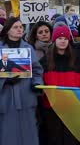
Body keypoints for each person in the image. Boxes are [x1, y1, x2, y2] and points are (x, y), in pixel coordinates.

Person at [40, 26, 80, 145]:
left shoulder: (77, 60)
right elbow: (40, 82)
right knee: (54, 139)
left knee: (72, 140)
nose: (62, 41)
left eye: (65, 38)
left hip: (73, 108)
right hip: (53, 109)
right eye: (59, 38)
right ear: (54, 40)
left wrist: (79, 97)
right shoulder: (45, 61)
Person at [0, 17, 43, 145]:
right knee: (8, 135)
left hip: (26, 98)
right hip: (6, 99)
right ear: (7, 30)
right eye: (15, 27)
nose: (19, 29)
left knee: (29, 134)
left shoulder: (28, 48)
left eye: (21, 27)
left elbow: (37, 70)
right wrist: (5, 81)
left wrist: (37, 84)